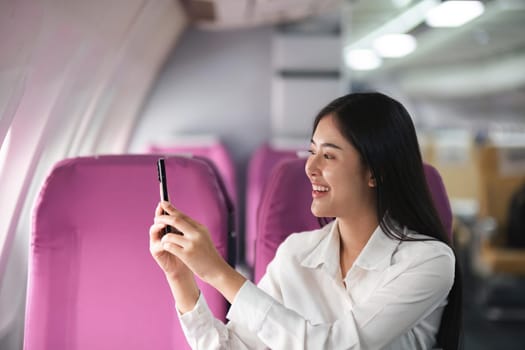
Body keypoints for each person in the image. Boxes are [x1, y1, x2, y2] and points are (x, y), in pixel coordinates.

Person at [149, 92, 463, 349]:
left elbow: (335, 347)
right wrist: (181, 278)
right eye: (311, 152)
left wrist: (218, 272)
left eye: (328, 156)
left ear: (375, 172)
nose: (310, 167)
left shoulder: (428, 260)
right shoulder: (296, 252)